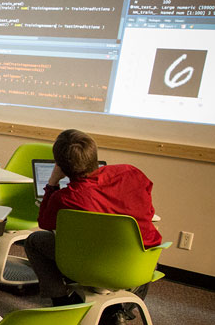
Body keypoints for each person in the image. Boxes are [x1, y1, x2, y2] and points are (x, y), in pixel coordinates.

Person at [25, 129, 160, 314]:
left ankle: (60, 301)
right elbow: (149, 210)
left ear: (61, 166)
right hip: (138, 263)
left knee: (35, 241)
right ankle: (120, 311)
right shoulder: (131, 173)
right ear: (94, 155)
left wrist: (53, 182)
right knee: (144, 244)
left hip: (88, 264)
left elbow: (45, 223)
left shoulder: (66, 198)